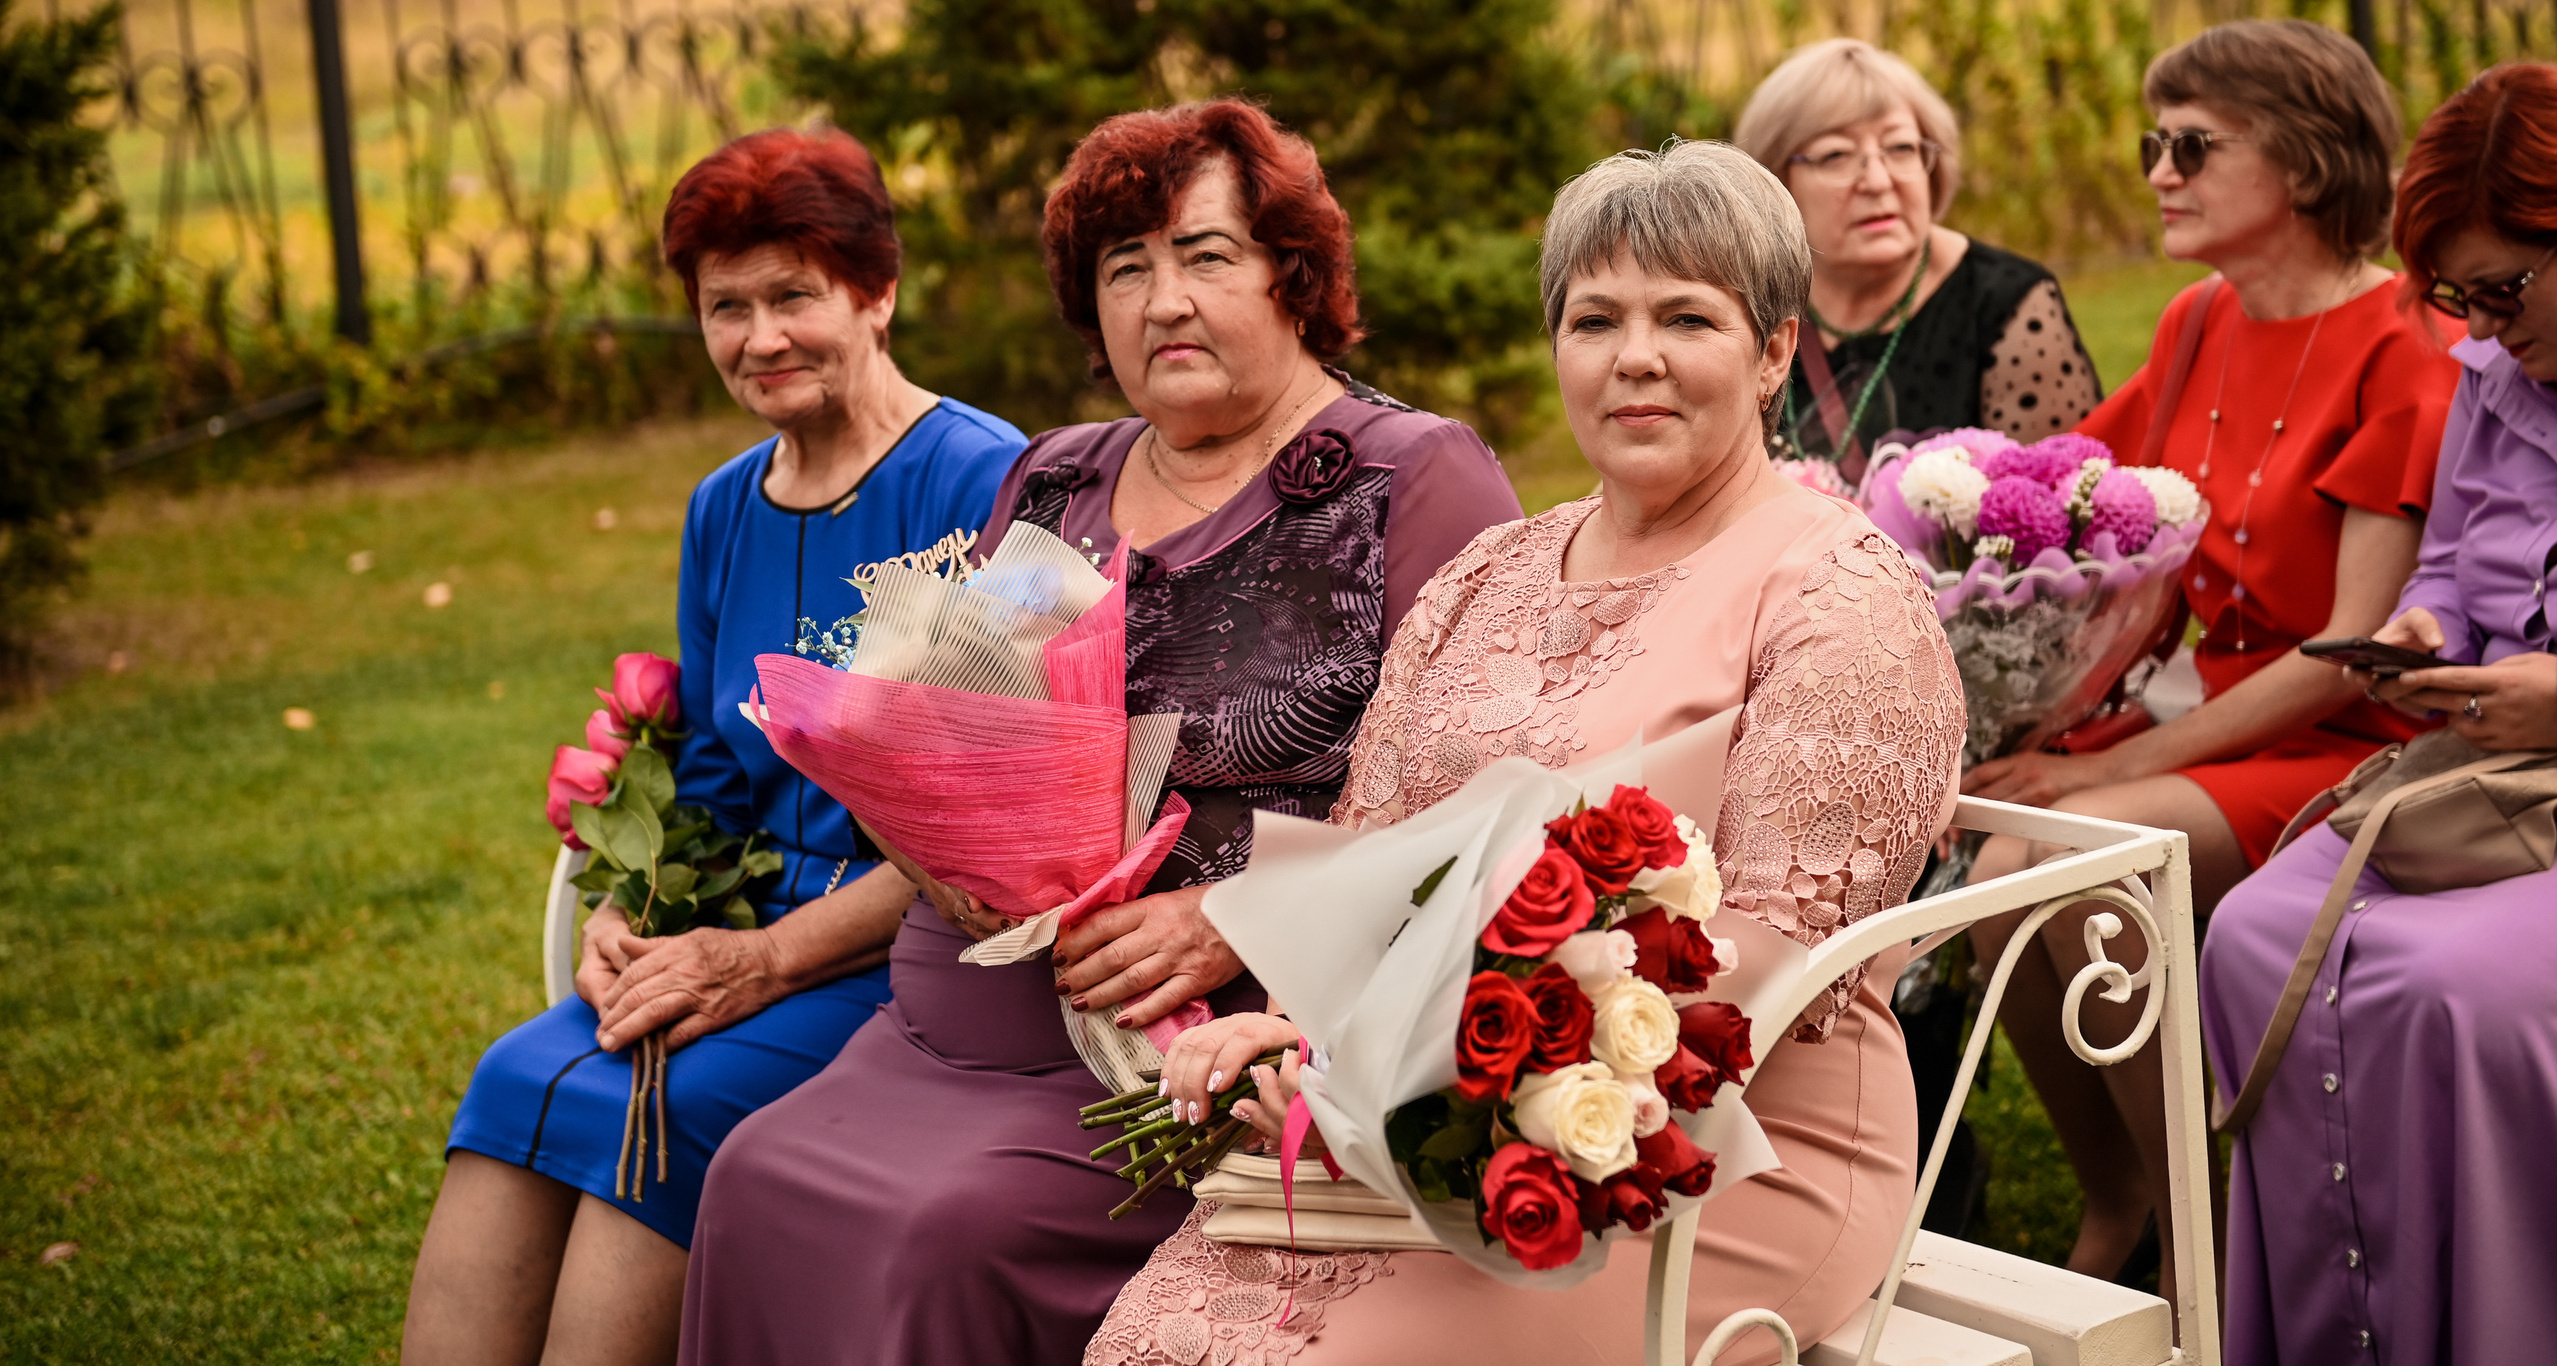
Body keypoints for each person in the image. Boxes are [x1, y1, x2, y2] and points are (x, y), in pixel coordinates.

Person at [1087, 139, 1968, 1366]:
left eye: (1686, 318)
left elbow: (1768, 971)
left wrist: (1425, 1083)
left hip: (1706, 1150)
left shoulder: (1838, 597)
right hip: (1404, 1119)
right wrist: (1295, 1037)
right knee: (1151, 1341)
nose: (1634, 357)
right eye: (1594, 320)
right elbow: (1362, 854)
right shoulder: (1484, 575)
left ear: (1773, 351)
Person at [676, 99, 1523, 1365]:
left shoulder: (1408, 478)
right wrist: (935, 839)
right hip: (955, 1016)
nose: (1164, 300)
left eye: (1206, 256)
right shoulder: (1058, 478)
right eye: (1126, 268)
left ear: (1293, 277)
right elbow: (966, 725)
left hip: (1184, 1047)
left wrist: (1233, 916)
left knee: (944, 1233)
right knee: (755, 1175)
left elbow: (1482, 802)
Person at [402, 128, 1025, 1366]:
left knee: (668, 1107)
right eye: (725, 307)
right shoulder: (722, 506)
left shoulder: (985, 478)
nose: (760, 337)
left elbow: (987, 824)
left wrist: (767, 960)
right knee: (516, 1078)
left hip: (909, 948)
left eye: (794, 295)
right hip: (732, 932)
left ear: (878, 291)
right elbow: (705, 782)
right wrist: (626, 907)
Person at [1962, 20, 2459, 1295]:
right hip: (2221, 718)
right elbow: (2071, 496)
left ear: (2301, 160)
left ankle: (2217, 1238)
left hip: (2361, 740)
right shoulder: (2196, 322)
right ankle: (2122, 1194)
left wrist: (2105, 772)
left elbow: (2353, 655)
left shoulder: (2401, 344)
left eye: (2190, 146)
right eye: (2154, 143)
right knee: (1996, 867)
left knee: (2078, 865)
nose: (2156, 173)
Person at [2200, 61, 2557, 1365]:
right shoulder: (2490, 378)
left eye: (2503, 287)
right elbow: (2451, 564)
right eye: (2458, 298)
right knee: (2248, 933)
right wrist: (2424, 631)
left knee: (2452, 983)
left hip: (2525, 782)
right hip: (2479, 779)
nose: (2482, 325)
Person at [1734, 37, 2100, 477]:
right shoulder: (1743, 305)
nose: (1877, 180)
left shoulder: (2009, 305)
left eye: (1901, 148)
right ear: (1774, 180)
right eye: (1836, 155)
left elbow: (2060, 500)